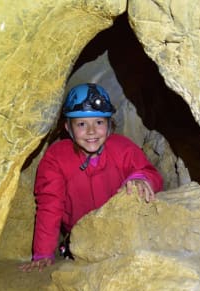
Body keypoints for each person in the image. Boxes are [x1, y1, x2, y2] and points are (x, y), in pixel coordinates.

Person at [19, 83, 163, 272]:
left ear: (109, 124)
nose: (91, 131)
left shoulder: (122, 148)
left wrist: (140, 177)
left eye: (99, 122)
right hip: (81, 239)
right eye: (81, 124)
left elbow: (152, 174)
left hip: (121, 231)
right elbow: (50, 204)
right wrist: (43, 253)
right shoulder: (56, 158)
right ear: (68, 128)